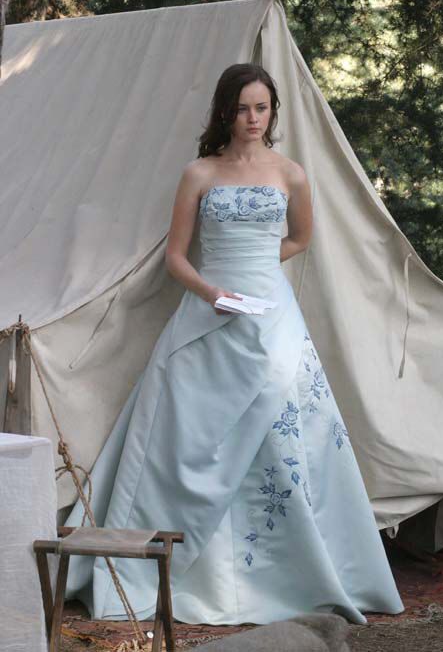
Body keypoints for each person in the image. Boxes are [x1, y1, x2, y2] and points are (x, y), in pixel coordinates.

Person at [65, 63, 404, 625]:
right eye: (243, 108)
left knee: (284, 429)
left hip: (272, 317)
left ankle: (290, 576)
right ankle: (186, 570)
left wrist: (255, 273)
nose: (252, 119)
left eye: (262, 108)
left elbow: (300, 237)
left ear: (272, 113)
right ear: (225, 110)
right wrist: (214, 290)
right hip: (207, 314)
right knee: (183, 435)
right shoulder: (199, 173)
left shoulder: (291, 173)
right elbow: (177, 256)